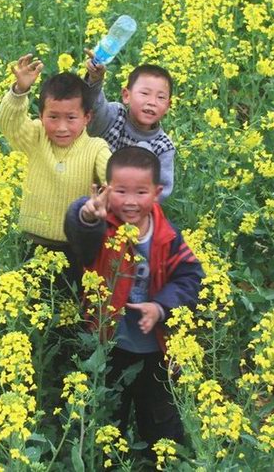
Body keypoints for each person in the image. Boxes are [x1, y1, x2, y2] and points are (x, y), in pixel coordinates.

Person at [64, 146, 203, 453]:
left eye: (140, 192)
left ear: (157, 192)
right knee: (107, 415)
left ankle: (160, 459)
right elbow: (80, 237)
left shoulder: (167, 236)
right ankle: (108, 458)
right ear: (106, 190)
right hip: (109, 345)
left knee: (160, 419)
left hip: (156, 348)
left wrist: (160, 306)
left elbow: (190, 276)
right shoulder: (102, 228)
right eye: (120, 191)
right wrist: (86, 214)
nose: (129, 201)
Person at [0, 54, 111, 289]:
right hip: (31, 245)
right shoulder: (37, 136)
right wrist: (19, 91)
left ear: (87, 117)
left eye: (71, 118)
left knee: (68, 315)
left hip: (75, 250)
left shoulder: (96, 148)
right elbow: (9, 125)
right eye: (52, 117)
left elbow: (113, 175)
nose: (61, 127)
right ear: (40, 116)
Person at [84, 53, 176, 200]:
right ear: (126, 96)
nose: (152, 102)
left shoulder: (164, 146)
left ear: (168, 106)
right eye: (145, 93)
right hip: (88, 196)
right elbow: (93, 108)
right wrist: (95, 80)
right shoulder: (115, 115)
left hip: (128, 209)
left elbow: (161, 190)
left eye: (161, 97)